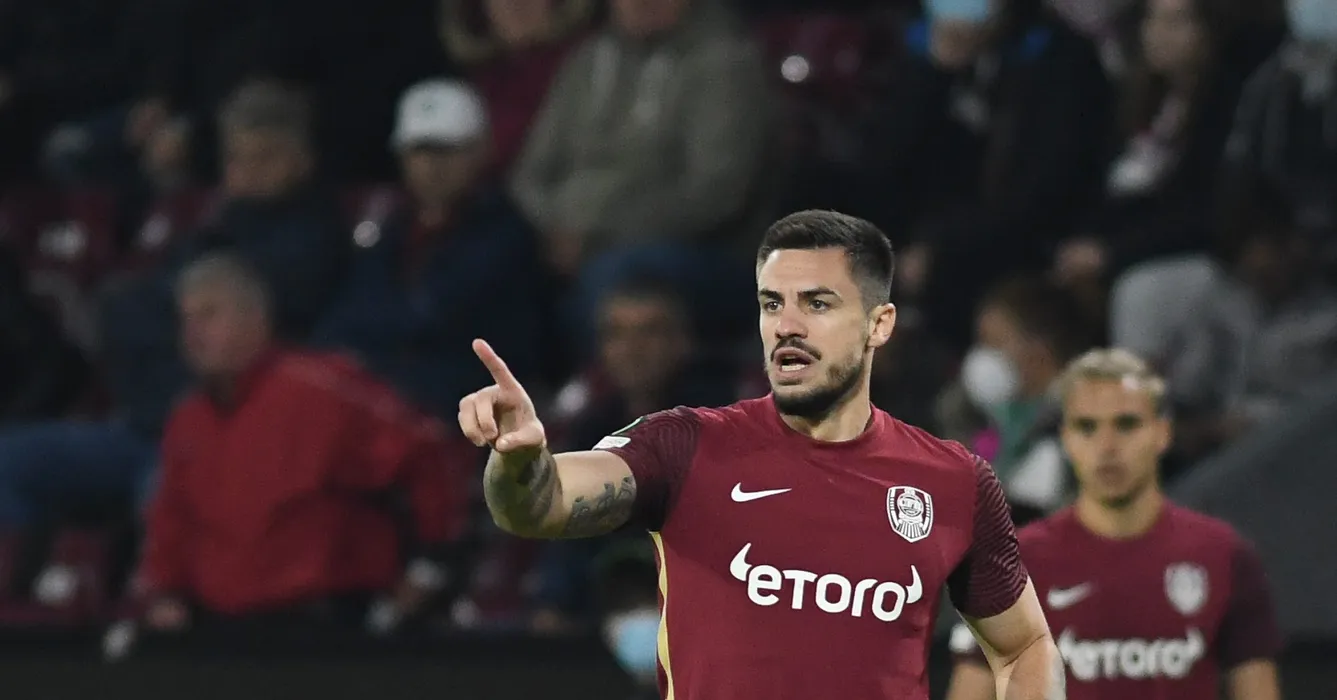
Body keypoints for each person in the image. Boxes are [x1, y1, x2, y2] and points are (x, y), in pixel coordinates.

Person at [459, 210, 1062, 699]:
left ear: (879, 325)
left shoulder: (952, 481)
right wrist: (519, 459)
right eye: (773, 303)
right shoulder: (686, 445)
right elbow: (540, 505)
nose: (787, 326)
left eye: (817, 304)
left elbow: (1025, 647)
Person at [944, 348, 1283, 700]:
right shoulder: (1013, 565)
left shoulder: (1224, 556)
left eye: (1126, 424)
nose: (1107, 446)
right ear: (1066, 438)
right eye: (1087, 427)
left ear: (1162, 432)